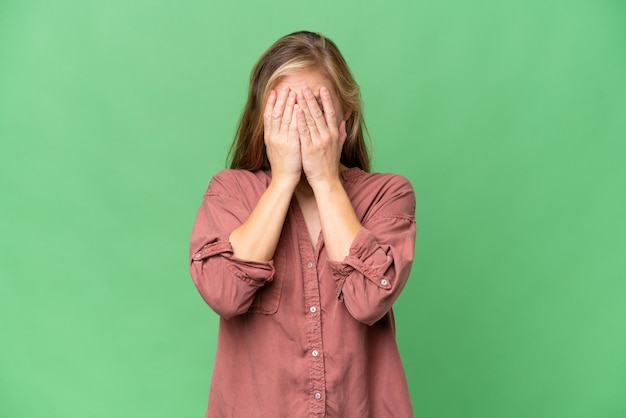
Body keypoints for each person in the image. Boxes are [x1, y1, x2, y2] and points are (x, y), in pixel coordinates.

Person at [189, 30, 416, 418]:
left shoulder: (388, 194)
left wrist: (326, 180)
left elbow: (367, 301)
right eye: (285, 110)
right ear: (263, 118)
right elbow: (224, 294)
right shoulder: (230, 192)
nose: (300, 125)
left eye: (315, 109)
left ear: (345, 116)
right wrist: (282, 182)